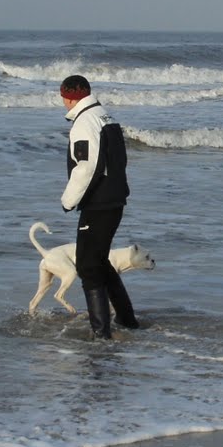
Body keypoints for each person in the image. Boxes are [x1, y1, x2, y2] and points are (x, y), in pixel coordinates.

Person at [59, 74, 138, 339]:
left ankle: (101, 335)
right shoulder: (106, 117)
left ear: (69, 97)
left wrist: (68, 200)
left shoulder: (84, 123)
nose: (64, 104)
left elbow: (87, 166)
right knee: (100, 262)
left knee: (88, 267)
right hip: (114, 200)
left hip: (99, 203)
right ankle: (128, 320)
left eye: (64, 99)